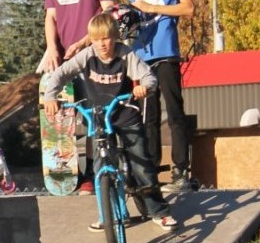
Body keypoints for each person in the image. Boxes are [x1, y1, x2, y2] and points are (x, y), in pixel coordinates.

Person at [40, 12, 178, 230]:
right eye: (96, 39)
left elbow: (149, 76)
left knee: (141, 165)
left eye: (106, 38)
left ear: (114, 37)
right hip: (99, 118)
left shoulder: (125, 55)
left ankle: (158, 211)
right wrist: (50, 96)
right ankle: (110, 213)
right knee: (101, 165)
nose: (101, 44)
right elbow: (60, 74)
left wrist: (144, 87)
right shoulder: (87, 56)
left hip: (125, 116)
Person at [125, 0, 197, 194]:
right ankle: (151, 171)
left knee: (175, 112)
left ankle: (181, 170)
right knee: (148, 116)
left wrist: (155, 9)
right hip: (143, 54)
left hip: (165, 52)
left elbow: (188, 8)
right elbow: (134, 5)